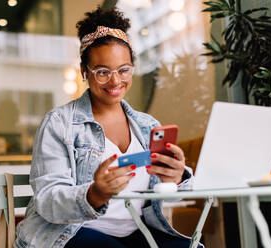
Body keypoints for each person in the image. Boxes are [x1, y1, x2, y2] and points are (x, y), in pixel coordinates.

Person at [15, 7, 202, 248]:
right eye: (102, 72)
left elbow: (169, 194)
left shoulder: (147, 126)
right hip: (70, 233)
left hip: (137, 231)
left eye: (123, 70)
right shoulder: (59, 123)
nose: (115, 81)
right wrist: (95, 194)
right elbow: (48, 200)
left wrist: (176, 178)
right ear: (85, 71)